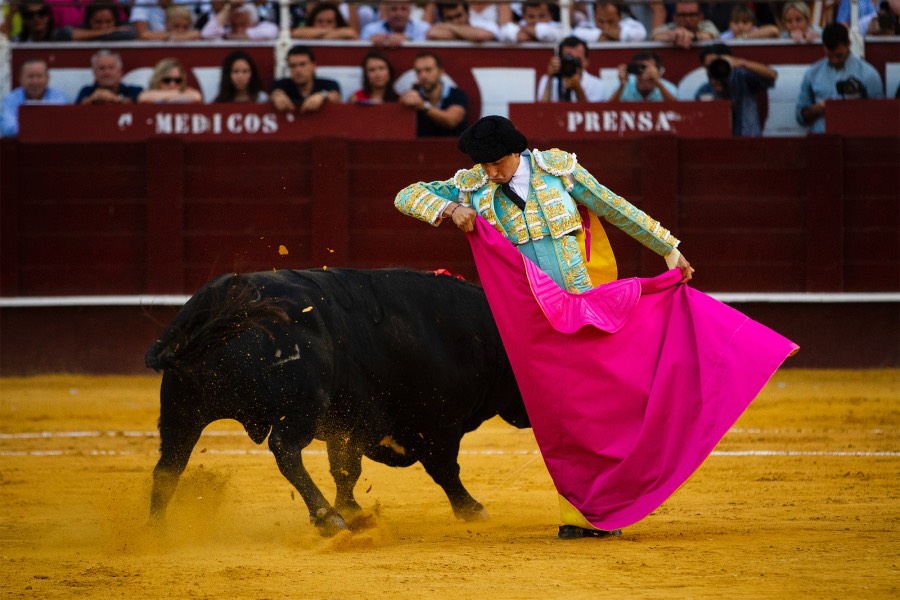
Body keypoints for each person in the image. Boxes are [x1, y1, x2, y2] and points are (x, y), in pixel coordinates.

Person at [394, 116, 797, 542]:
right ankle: (580, 513)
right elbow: (406, 195)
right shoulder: (472, 185)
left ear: (516, 151)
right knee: (560, 420)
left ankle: (599, 506)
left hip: (582, 310)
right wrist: (451, 207)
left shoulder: (559, 170)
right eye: (484, 165)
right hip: (531, 326)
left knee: (600, 409)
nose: (490, 173)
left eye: (496, 163)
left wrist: (668, 247)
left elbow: (613, 206)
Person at [795, 22, 885, 133]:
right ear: (824, 47)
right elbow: (800, 117)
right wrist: (816, 110)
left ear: (849, 44)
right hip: (822, 141)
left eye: (839, 55)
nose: (834, 60)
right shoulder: (812, 73)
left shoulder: (869, 75)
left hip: (855, 140)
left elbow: (879, 116)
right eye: (830, 55)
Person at [694, 43, 776, 137]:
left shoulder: (743, 78)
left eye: (717, 64)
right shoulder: (704, 91)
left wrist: (741, 63)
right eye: (708, 66)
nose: (714, 69)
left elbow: (772, 75)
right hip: (718, 143)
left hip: (747, 140)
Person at [399, 52, 468, 137]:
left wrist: (423, 106)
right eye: (418, 71)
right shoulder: (413, 94)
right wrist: (403, 102)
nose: (423, 75)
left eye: (428, 70)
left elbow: (451, 121)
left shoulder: (456, 95)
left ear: (441, 72)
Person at [1, 58, 68, 137]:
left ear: (47, 79)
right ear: (21, 79)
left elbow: (62, 126)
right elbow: (7, 128)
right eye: (30, 76)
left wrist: (29, 128)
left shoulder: (58, 98)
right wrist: (40, 129)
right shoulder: (11, 99)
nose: (35, 81)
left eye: (39, 76)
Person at [270, 45, 342, 114]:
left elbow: (335, 97)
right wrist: (276, 96)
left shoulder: (328, 84)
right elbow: (273, 93)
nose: (298, 70)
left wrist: (323, 95)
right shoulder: (281, 85)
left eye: (302, 64)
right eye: (293, 66)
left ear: (313, 65)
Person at [536, 36, 607, 103]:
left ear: (586, 62)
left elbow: (590, 113)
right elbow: (542, 111)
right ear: (559, 60)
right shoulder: (548, 79)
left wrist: (578, 88)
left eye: (577, 60)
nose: (572, 64)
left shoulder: (597, 85)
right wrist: (550, 79)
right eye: (568, 59)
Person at [75, 49, 143, 104]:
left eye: (111, 68)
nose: (107, 72)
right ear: (94, 73)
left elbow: (136, 102)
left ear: (120, 71)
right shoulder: (86, 91)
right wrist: (92, 99)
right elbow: (77, 108)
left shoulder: (134, 91)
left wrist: (116, 99)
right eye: (101, 68)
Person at [609, 50, 678, 102]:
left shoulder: (669, 88)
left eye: (649, 71)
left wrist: (657, 82)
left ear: (659, 72)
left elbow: (678, 110)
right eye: (640, 69)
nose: (644, 75)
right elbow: (607, 110)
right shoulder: (625, 86)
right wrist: (622, 86)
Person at [360, 0, 431, 46]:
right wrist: (370, 42)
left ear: (410, 10)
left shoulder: (423, 28)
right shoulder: (370, 30)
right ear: (386, 11)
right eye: (394, 9)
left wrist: (408, 41)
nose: (399, 14)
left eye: (403, 9)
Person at [650, 1, 718, 48]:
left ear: (700, 17)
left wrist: (693, 36)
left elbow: (709, 35)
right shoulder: (670, 26)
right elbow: (655, 35)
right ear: (674, 17)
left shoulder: (707, 25)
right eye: (682, 15)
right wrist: (672, 36)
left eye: (692, 15)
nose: (687, 19)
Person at [572, 1, 647, 43]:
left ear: (619, 16)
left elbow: (641, 34)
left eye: (610, 21)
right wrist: (611, 34)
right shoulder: (585, 26)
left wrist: (604, 35)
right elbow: (575, 34)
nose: (606, 26)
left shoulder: (631, 24)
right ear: (595, 17)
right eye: (601, 21)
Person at [138, 58, 204, 104]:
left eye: (177, 80)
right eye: (167, 80)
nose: (172, 84)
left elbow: (196, 96)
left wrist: (166, 98)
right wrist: (177, 96)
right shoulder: (149, 94)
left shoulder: (188, 92)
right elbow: (143, 98)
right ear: (158, 80)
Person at [201, 1, 278, 40]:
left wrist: (230, 37)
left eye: (242, 24)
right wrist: (229, 7)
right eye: (234, 25)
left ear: (253, 23)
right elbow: (206, 34)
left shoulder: (265, 27)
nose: (238, 29)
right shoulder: (227, 31)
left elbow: (272, 32)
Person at [65, 0, 137, 41]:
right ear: (89, 20)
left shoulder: (124, 26)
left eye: (108, 22)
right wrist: (112, 31)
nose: (103, 26)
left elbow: (131, 33)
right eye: (98, 22)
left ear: (116, 20)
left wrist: (88, 35)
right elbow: (66, 34)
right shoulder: (84, 26)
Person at [426, 2, 500, 41]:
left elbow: (481, 35)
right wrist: (469, 36)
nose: (455, 21)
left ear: (467, 14)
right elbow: (432, 33)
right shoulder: (439, 26)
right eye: (449, 18)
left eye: (458, 16)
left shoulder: (484, 24)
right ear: (442, 18)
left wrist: (449, 26)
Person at [291, 1, 358, 39]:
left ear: (337, 23)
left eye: (329, 22)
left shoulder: (346, 32)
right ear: (312, 21)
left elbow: (351, 33)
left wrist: (318, 35)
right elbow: (296, 33)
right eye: (319, 21)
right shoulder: (302, 32)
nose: (324, 25)